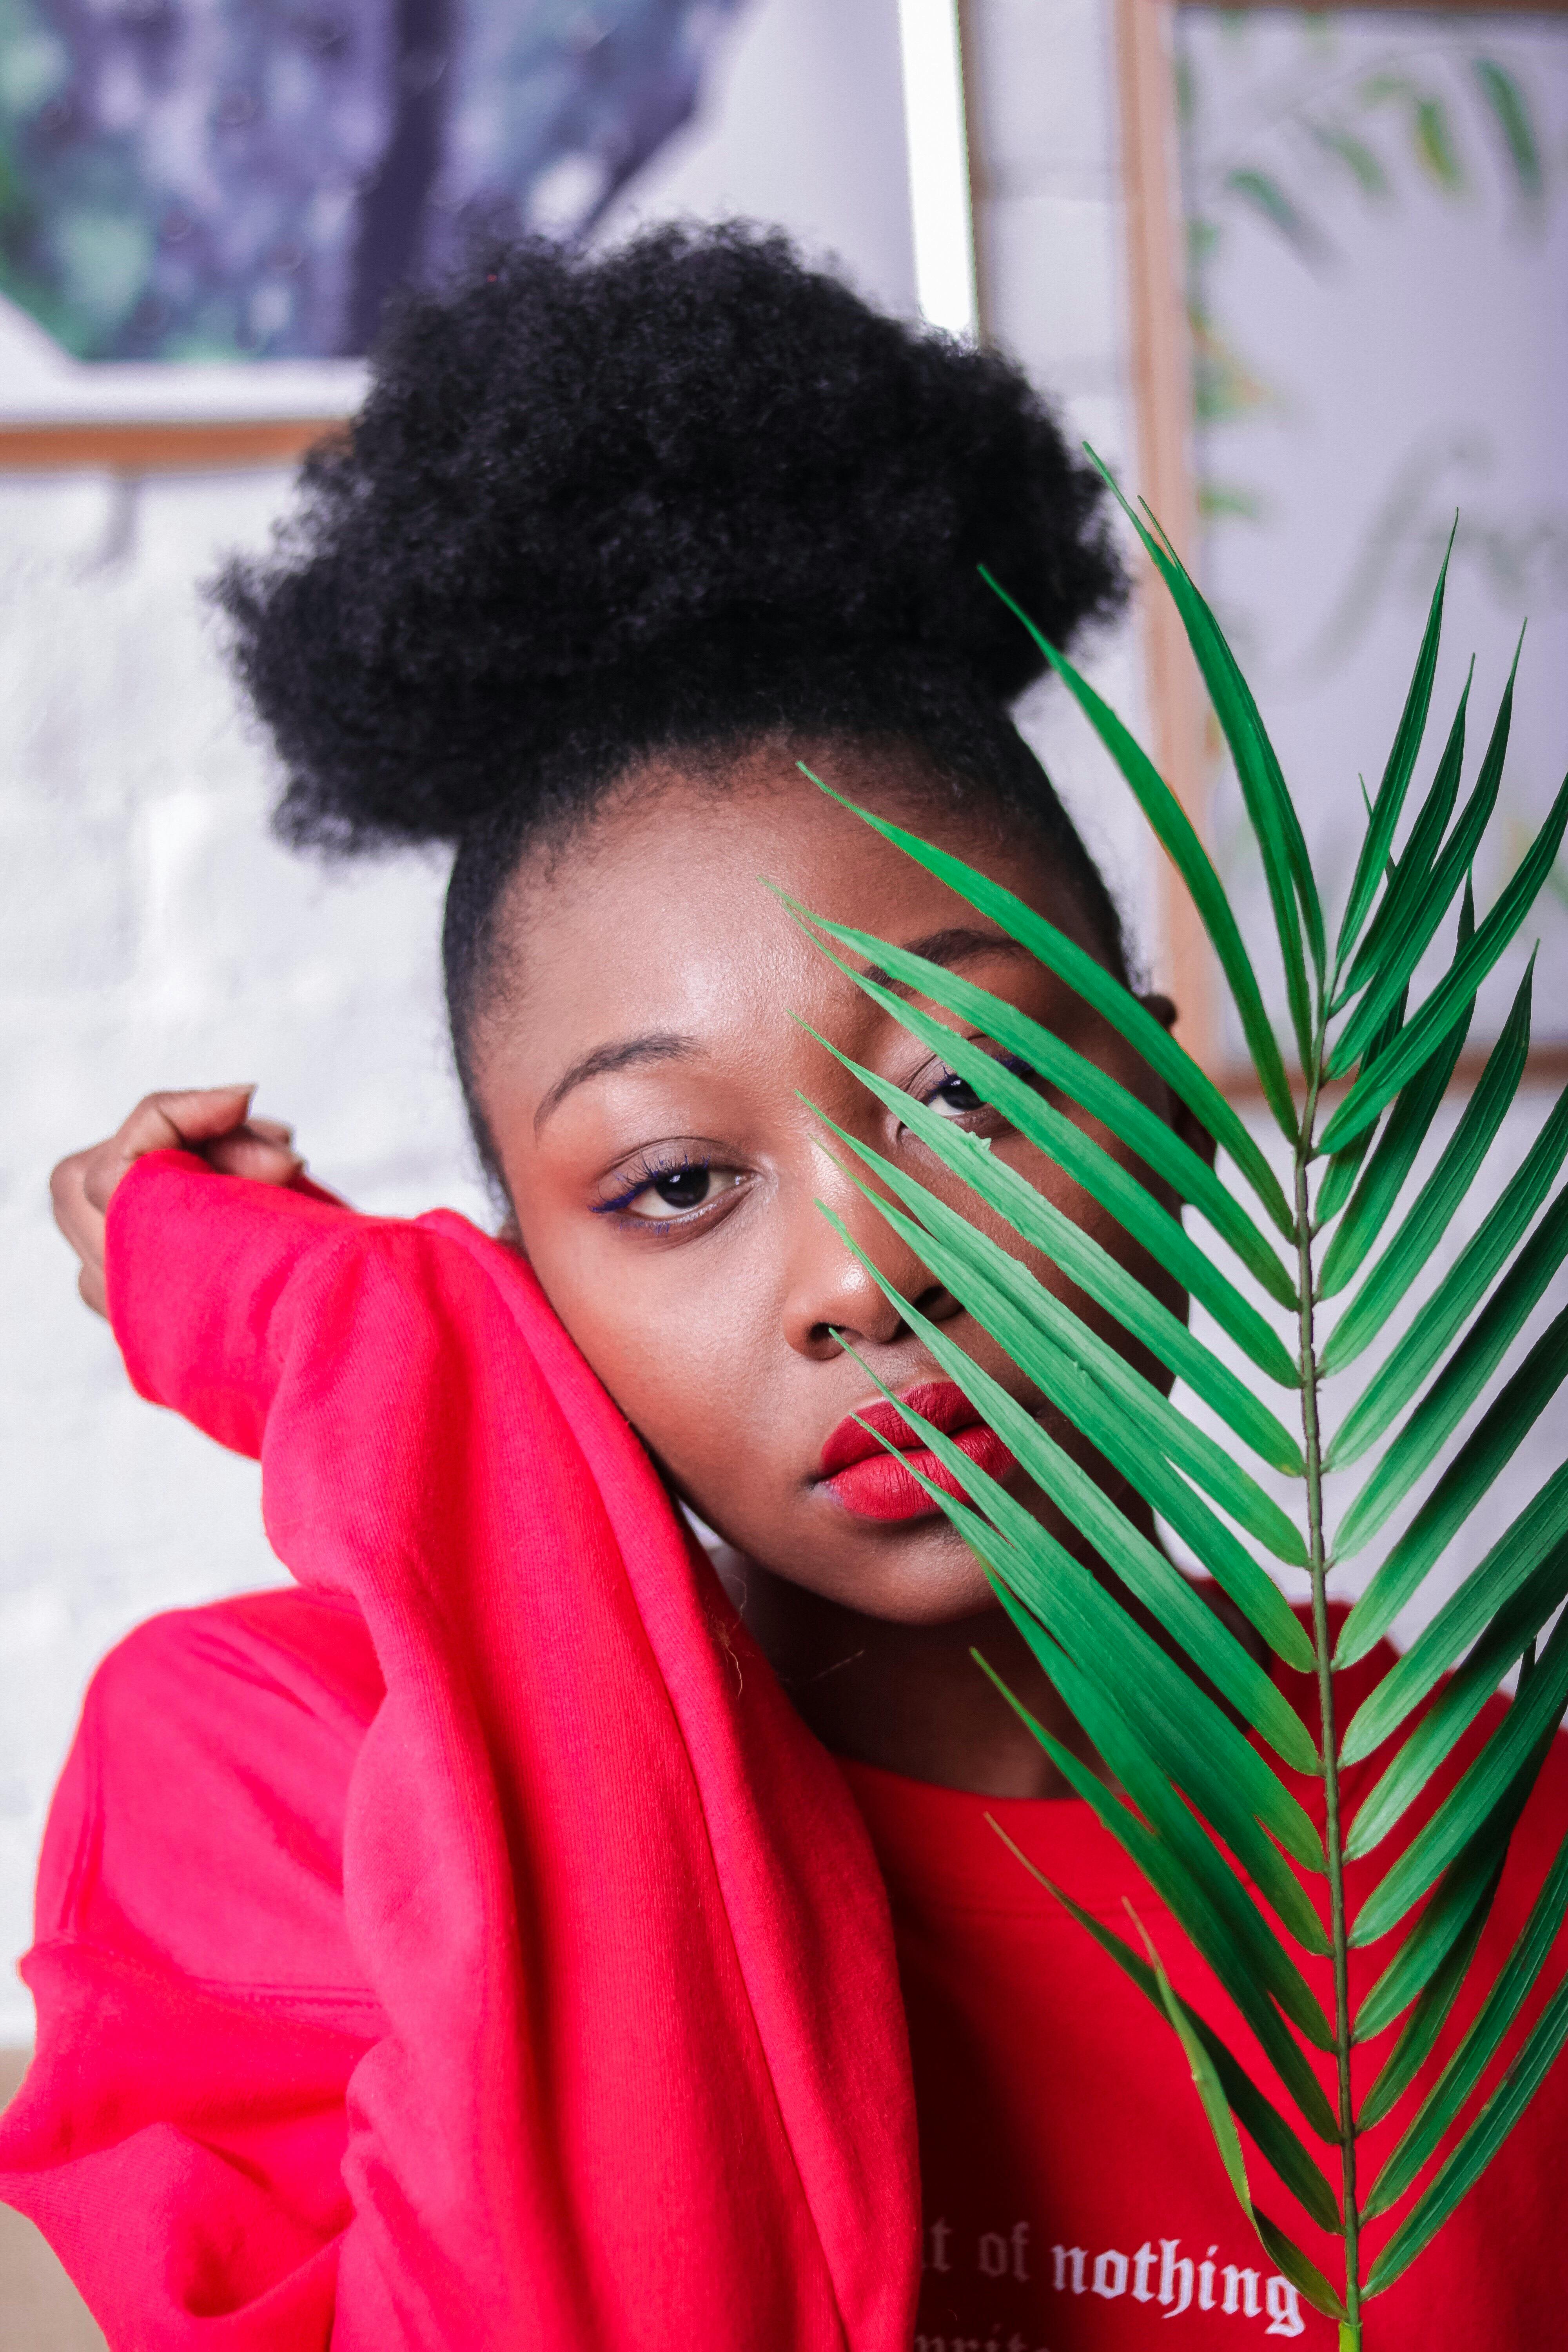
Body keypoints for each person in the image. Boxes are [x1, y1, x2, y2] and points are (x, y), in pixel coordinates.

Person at [4, 224, 1565, 2350]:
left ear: (1183, 1111)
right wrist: (393, 1364)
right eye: (668, 1184)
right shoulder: (280, 1779)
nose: (863, 1271)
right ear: (522, 1280)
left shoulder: (1486, 1848)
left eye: (977, 1099)